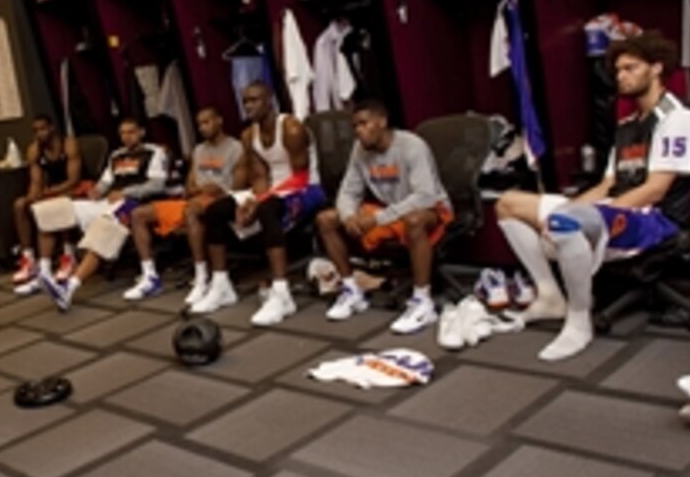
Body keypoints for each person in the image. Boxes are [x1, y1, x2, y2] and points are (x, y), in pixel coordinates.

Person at [495, 30, 690, 361]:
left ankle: (579, 322)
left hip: (657, 219)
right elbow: (608, 183)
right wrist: (574, 208)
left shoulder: (678, 117)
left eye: (631, 68)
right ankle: (550, 296)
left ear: (657, 68)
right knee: (508, 204)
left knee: (566, 221)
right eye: (618, 70)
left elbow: (656, 189)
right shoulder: (627, 125)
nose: (620, 76)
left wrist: (582, 217)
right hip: (618, 208)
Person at [191, 82, 324, 325]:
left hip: (306, 188)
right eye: (245, 102)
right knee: (216, 210)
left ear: (269, 100)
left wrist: (260, 202)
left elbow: (300, 176)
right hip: (272, 190)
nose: (249, 106)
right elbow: (260, 177)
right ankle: (222, 285)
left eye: (255, 100)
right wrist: (249, 200)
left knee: (267, 208)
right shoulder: (248, 135)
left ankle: (282, 293)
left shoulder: (291, 128)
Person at [316, 99, 452, 333]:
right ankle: (351, 290)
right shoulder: (360, 150)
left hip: (432, 208)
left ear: (382, 122)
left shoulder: (411, 146)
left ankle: (423, 301)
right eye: (355, 126)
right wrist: (348, 216)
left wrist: (378, 219)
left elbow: (425, 196)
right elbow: (348, 190)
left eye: (364, 124)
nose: (358, 131)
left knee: (414, 221)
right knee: (326, 219)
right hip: (391, 209)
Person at [39, 117, 168, 310]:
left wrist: (125, 193)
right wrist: (96, 191)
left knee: (102, 231)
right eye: (123, 133)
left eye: (131, 132)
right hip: (106, 201)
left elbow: (157, 184)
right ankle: (44, 271)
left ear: (141, 132)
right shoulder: (116, 155)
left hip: (132, 203)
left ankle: (69, 288)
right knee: (52, 210)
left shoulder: (154, 152)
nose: (127, 137)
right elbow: (105, 183)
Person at [125, 107, 243, 303]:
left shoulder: (235, 147)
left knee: (191, 211)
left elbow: (237, 186)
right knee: (138, 214)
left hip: (218, 201)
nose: (203, 128)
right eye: (200, 124)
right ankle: (150, 276)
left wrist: (217, 189)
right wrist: (198, 189)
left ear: (219, 121)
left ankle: (202, 277)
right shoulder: (198, 150)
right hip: (194, 198)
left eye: (207, 122)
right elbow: (190, 185)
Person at [12, 115, 82, 289]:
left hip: (73, 188)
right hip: (50, 190)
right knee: (20, 205)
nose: (39, 134)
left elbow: (74, 179)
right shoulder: (34, 150)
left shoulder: (69, 144)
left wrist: (49, 192)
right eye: (35, 131)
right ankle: (29, 258)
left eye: (43, 129)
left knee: (59, 203)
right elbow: (36, 181)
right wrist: (33, 196)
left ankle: (69, 255)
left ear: (51, 128)